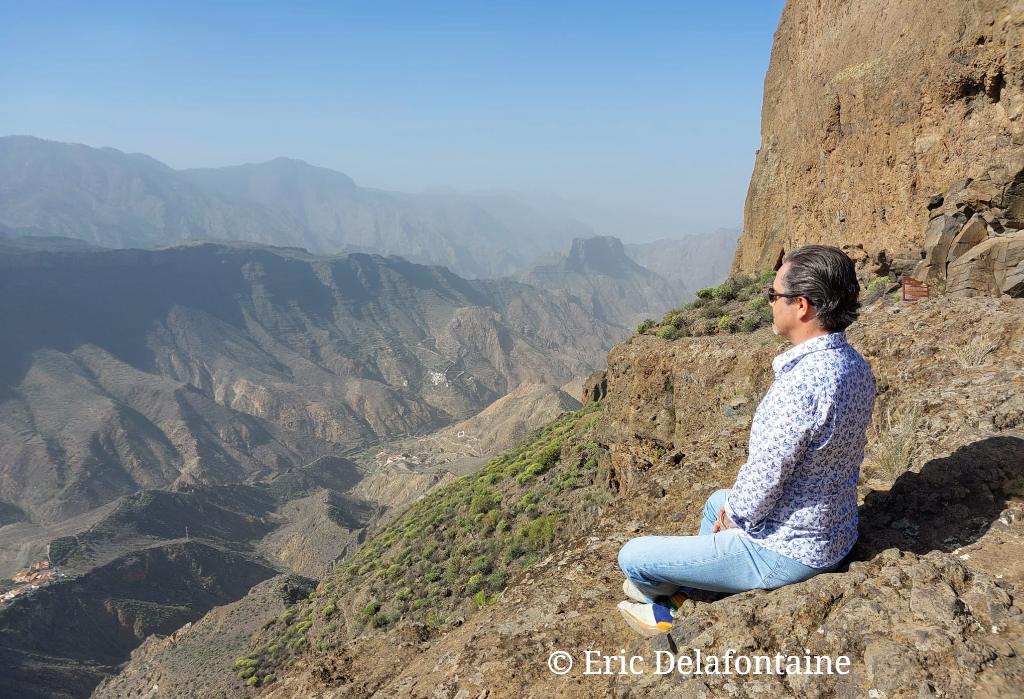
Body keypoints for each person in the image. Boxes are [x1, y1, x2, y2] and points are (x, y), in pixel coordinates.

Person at [616, 245, 877, 637]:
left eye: (774, 296)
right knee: (715, 502)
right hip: (833, 531)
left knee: (632, 558)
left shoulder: (800, 386)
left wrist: (735, 518)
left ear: (801, 305)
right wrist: (731, 510)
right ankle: (687, 592)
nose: (770, 303)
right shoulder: (853, 365)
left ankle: (662, 610)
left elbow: (766, 476)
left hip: (788, 552)